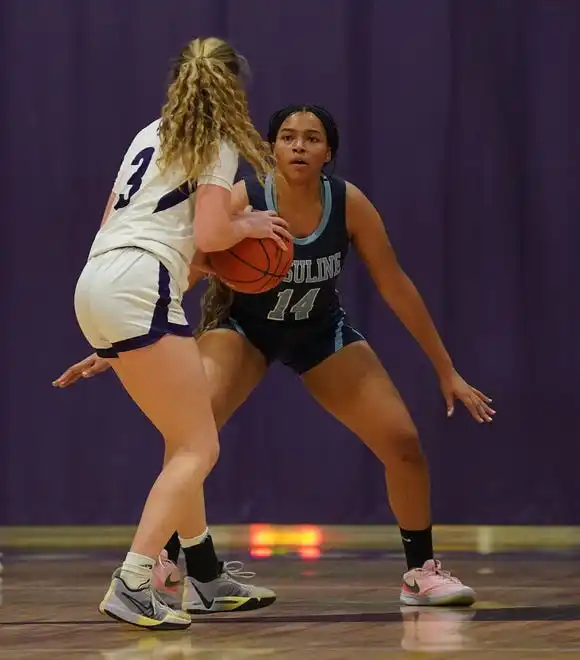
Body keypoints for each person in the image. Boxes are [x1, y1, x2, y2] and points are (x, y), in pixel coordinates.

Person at [56, 104, 495, 611]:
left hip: (318, 331)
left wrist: (447, 370)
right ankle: (171, 564)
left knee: (403, 443)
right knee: (190, 434)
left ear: (328, 151)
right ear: (271, 148)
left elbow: (395, 285)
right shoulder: (246, 196)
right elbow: (190, 270)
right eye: (288, 137)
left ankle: (420, 572)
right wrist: (120, 345)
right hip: (244, 328)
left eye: (312, 138)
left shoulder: (348, 203)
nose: (299, 146)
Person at [70, 37, 290, 630]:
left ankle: (205, 574)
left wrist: (106, 339)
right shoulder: (215, 143)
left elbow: (119, 224)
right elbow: (216, 234)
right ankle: (136, 580)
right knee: (200, 447)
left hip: (98, 279)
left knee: (182, 439)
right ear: (232, 91)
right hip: (140, 284)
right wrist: (251, 221)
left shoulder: (148, 133)